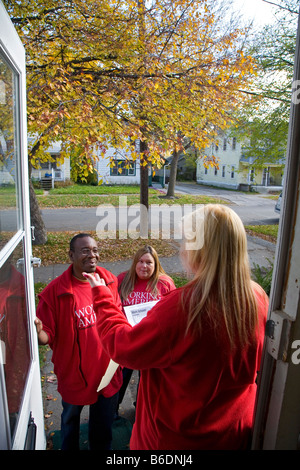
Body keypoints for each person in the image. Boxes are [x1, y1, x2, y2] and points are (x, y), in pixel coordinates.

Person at [83, 205, 269, 450]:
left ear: (199, 250)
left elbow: (123, 347)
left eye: (187, 240)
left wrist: (102, 296)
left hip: (175, 439)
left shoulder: (183, 307)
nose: (182, 248)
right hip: (232, 432)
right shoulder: (257, 297)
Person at [34, 233, 122, 450]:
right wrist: (38, 331)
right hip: (75, 375)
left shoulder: (108, 280)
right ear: (71, 255)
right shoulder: (56, 292)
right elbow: (47, 336)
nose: (92, 255)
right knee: (70, 422)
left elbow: (117, 319)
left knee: (102, 427)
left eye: (94, 250)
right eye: (85, 251)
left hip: (106, 372)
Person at [116, 245, 176, 411]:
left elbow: (173, 312)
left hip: (151, 341)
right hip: (128, 338)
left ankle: (141, 409)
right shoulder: (123, 279)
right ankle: (113, 408)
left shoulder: (165, 283)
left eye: (149, 262)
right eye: (140, 261)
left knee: (147, 379)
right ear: (135, 263)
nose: (144, 266)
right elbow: (113, 306)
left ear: (155, 264)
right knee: (121, 376)